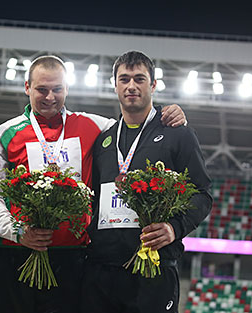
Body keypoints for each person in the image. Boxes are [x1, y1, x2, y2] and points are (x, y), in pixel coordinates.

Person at [0, 55, 187, 313]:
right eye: (41, 90)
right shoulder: (4, 134)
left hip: (72, 257)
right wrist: (18, 232)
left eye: (57, 89)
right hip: (12, 253)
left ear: (67, 89)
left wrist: (168, 114)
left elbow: (137, 128)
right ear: (27, 87)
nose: (50, 97)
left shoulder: (95, 126)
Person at [82, 50, 213, 313]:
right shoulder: (103, 140)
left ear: (153, 85)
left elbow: (202, 193)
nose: (131, 86)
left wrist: (174, 228)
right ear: (115, 85)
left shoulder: (178, 134)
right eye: (124, 79)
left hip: (154, 269)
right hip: (101, 271)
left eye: (140, 79)